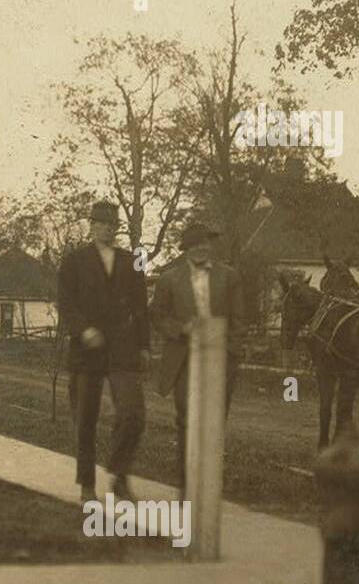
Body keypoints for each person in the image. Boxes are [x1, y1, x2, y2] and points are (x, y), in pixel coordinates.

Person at [56, 200, 149, 504]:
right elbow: (66, 304)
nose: (108, 229)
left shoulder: (131, 261)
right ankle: (86, 484)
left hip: (123, 348)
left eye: (113, 224)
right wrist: (84, 330)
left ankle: (119, 474)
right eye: (102, 223)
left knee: (133, 414)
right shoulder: (74, 261)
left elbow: (141, 307)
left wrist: (144, 345)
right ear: (92, 226)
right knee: (86, 418)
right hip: (87, 350)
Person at [151, 221, 245, 485]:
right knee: (187, 420)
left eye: (205, 243)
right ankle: (187, 484)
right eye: (195, 244)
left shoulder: (229, 276)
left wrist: (231, 355)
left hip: (219, 359)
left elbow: (239, 320)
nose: (201, 248)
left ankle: (209, 485)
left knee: (214, 423)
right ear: (186, 249)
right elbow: (157, 315)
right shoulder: (169, 279)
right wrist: (180, 329)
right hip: (184, 358)